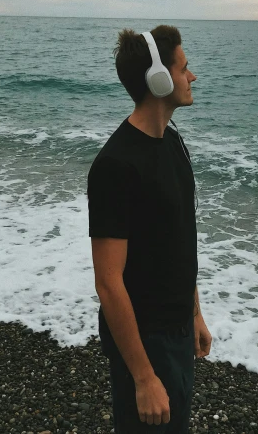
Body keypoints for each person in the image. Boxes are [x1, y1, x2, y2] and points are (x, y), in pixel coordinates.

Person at [87, 25, 212, 432]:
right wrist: (143, 377)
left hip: (177, 333)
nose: (192, 76)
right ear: (158, 79)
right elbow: (108, 282)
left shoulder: (173, 144)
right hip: (144, 344)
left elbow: (179, 240)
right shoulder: (116, 166)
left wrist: (194, 312)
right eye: (184, 67)